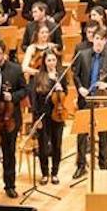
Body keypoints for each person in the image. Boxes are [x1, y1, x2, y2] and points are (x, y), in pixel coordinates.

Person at [0, 41, 27, 199]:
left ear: (4, 53)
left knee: (9, 153)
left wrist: (13, 96)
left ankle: (10, 185)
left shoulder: (15, 69)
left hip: (10, 119)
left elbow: (25, 89)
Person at [71, 29, 107, 179]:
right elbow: (75, 74)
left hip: (103, 99)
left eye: (102, 39)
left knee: (103, 132)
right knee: (82, 133)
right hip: (86, 98)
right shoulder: (82, 55)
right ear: (92, 39)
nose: (98, 42)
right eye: (96, 38)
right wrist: (80, 88)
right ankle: (81, 165)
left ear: (106, 41)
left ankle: (103, 163)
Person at [29, 49, 68, 185]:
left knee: (57, 145)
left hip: (58, 114)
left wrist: (61, 89)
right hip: (43, 115)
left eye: (53, 60)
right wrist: (36, 118)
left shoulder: (61, 75)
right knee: (43, 146)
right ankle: (45, 173)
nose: (51, 63)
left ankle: (55, 173)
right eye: (49, 60)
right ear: (44, 62)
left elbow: (66, 93)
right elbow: (34, 98)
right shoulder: (38, 77)